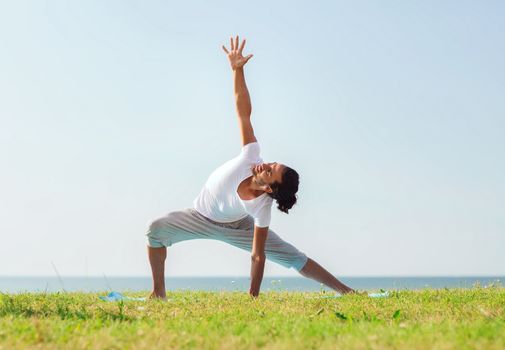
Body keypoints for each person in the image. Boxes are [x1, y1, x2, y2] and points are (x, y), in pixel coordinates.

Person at [146, 35, 354, 299]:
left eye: (270, 170)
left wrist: (252, 297)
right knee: (155, 229)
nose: (264, 164)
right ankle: (158, 293)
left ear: (269, 188)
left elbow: (258, 255)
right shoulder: (251, 155)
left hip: (237, 226)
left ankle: (347, 292)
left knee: (293, 256)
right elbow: (243, 111)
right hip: (199, 216)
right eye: (272, 163)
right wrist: (237, 70)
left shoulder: (261, 208)